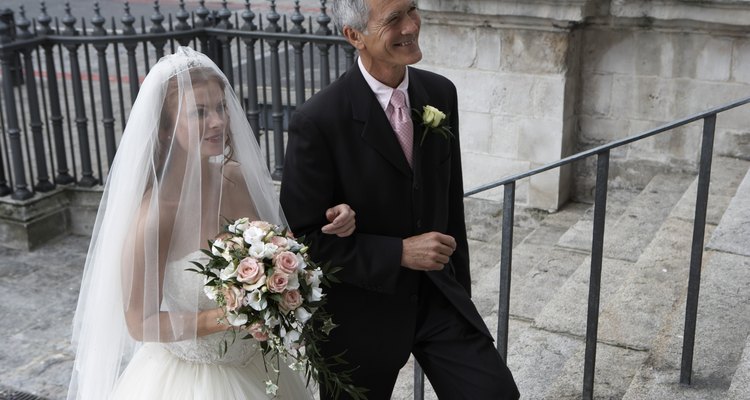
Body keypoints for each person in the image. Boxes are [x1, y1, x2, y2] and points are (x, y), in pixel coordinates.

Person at [66, 46, 356, 400]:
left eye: (220, 107)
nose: (218, 121)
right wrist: (233, 313)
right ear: (164, 130)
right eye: (199, 113)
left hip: (258, 367)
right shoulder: (154, 218)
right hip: (193, 381)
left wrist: (324, 222)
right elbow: (139, 322)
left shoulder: (236, 178)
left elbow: (281, 241)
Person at [280, 0, 520, 399]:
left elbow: (450, 203)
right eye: (394, 19)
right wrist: (400, 253)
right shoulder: (317, 121)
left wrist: (460, 288)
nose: (411, 25)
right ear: (354, 36)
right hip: (360, 315)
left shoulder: (440, 92)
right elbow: (306, 242)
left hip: (438, 298)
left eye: (412, 9)